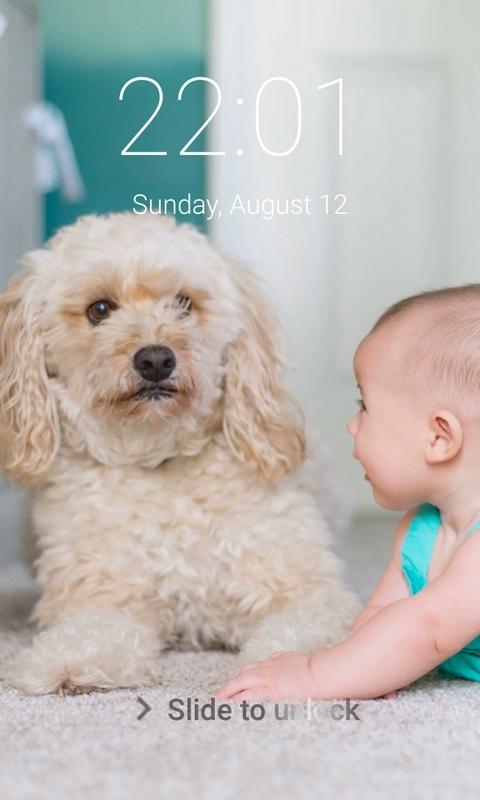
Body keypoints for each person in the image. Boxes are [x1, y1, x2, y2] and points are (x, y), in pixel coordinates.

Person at [215, 285, 480, 701]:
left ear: (439, 437)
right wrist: (365, 668)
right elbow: (381, 614)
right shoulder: (420, 529)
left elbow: (429, 629)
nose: (351, 425)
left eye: (365, 406)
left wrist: (315, 676)